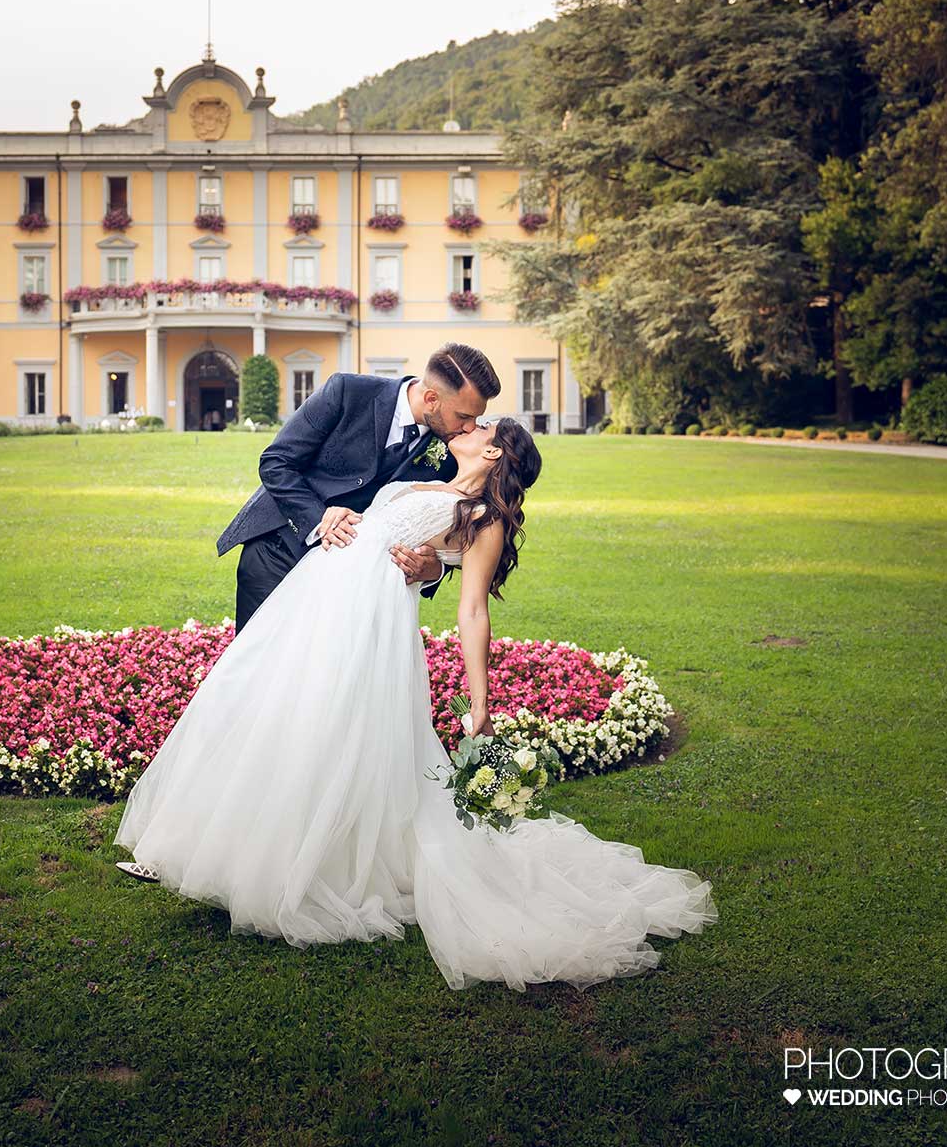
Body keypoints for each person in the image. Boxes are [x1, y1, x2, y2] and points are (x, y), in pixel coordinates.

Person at [113, 418, 717, 991]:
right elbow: (376, 525)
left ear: (495, 453)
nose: (469, 427)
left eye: (483, 427)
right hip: (312, 605)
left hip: (363, 629)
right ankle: (210, 848)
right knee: (260, 710)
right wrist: (343, 517)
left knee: (322, 733)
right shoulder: (427, 478)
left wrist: (480, 704)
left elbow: (472, 609)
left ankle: (292, 866)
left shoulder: (482, 521)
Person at [217, 343, 499, 634]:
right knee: (260, 667)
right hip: (278, 552)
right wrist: (319, 519)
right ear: (431, 398)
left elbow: (451, 519)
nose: (470, 428)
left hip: (352, 584)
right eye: (464, 417)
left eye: (476, 419)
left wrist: (433, 571)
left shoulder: (455, 450)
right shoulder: (347, 391)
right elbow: (276, 462)